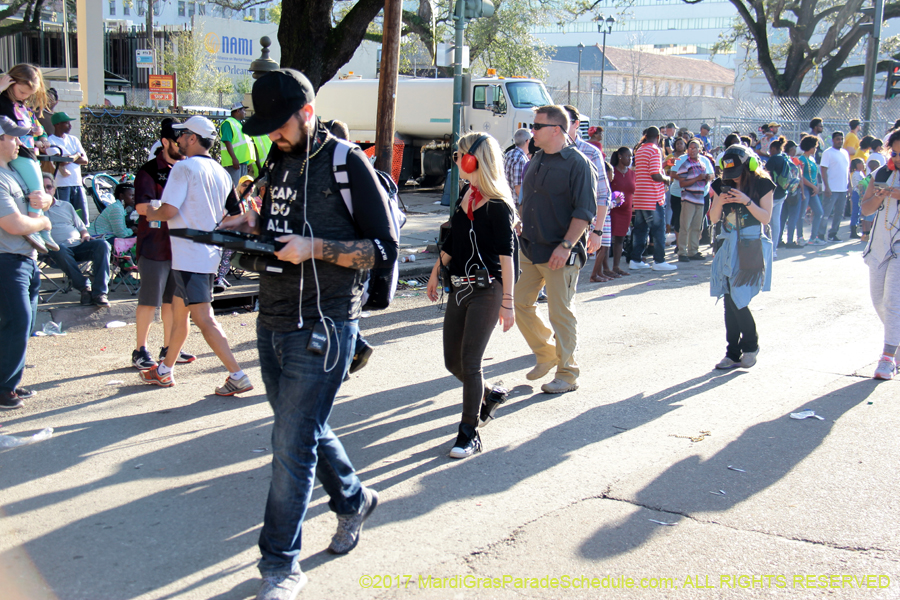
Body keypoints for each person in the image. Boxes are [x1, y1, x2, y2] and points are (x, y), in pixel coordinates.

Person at [219, 69, 398, 599]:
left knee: (289, 447)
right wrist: (250, 227)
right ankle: (354, 500)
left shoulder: (348, 163)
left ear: (307, 113)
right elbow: (274, 230)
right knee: (306, 432)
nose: (272, 135)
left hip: (324, 325)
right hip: (271, 319)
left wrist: (314, 248)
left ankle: (278, 565)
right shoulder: (277, 160)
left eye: (280, 124)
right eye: (266, 126)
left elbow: (383, 249)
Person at [136, 116, 251, 395]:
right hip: (204, 254)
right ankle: (164, 370)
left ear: (191, 138)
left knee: (203, 318)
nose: (178, 140)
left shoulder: (184, 168)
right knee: (180, 315)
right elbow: (235, 215)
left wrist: (150, 212)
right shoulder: (221, 172)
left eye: (182, 134)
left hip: (190, 256)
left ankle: (237, 375)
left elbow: (168, 211)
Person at [425, 132, 516, 457]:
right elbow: (453, 241)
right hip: (460, 287)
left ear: (476, 159)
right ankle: (489, 394)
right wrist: (436, 272)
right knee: (453, 362)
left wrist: (508, 302)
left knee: (470, 361)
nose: (457, 160)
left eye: (461, 154)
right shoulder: (467, 195)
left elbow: (508, 257)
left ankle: (469, 433)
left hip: (488, 289)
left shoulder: (498, 205)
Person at [515, 104, 596, 394]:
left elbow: (585, 211)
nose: (531, 130)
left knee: (560, 312)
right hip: (531, 248)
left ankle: (568, 373)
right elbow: (527, 198)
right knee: (520, 302)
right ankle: (547, 353)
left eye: (537, 126)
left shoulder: (578, 163)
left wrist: (565, 246)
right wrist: (521, 219)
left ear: (556, 130)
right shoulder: (536, 158)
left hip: (560, 252)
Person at [131, 118, 195, 371]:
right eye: (177, 141)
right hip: (155, 246)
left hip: (180, 246)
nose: (182, 145)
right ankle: (140, 350)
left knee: (172, 301)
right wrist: (163, 210)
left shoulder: (187, 168)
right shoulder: (148, 170)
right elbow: (141, 207)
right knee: (149, 301)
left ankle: (170, 348)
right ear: (165, 142)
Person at [0, 115, 53, 409]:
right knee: (17, 321)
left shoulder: (17, 170)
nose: (20, 142)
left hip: (26, 259)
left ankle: (11, 383)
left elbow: (43, 196)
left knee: (23, 322)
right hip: (6, 259)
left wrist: (43, 201)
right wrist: (43, 221)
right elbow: (13, 224)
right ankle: (4, 387)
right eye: (12, 137)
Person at [709, 145, 774, 369]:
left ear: (749, 166)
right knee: (729, 298)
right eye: (729, 176)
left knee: (739, 297)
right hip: (727, 245)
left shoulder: (762, 184)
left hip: (751, 244)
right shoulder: (720, 185)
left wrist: (746, 200)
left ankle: (750, 345)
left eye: (736, 175)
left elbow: (765, 218)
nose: (733, 180)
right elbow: (714, 218)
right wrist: (720, 200)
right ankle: (733, 352)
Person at [859, 128, 900, 380]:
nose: (898, 157)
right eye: (895, 152)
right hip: (880, 244)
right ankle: (896, 345)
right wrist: (878, 196)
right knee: (878, 300)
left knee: (893, 301)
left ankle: (887, 358)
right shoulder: (880, 173)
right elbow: (865, 209)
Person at [45, 179, 111, 307]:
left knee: (102, 245)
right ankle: (84, 288)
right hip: (55, 251)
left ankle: (99, 293)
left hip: (78, 245)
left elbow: (82, 228)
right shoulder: (33, 210)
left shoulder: (66, 206)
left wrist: (85, 235)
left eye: (49, 187)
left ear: (54, 189)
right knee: (59, 249)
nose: (46, 190)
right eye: (43, 187)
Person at [629, 126, 676, 271]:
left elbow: (647, 169)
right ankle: (659, 261)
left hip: (640, 196)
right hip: (652, 196)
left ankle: (635, 259)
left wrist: (663, 165)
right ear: (658, 137)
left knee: (640, 230)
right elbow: (655, 175)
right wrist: (667, 179)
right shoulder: (655, 150)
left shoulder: (640, 149)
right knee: (658, 230)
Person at [46, 110, 90, 225]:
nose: (69, 125)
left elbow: (85, 160)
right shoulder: (50, 141)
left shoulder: (73, 139)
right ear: (57, 125)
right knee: (64, 216)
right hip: (62, 185)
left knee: (82, 217)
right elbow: (61, 162)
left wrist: (69, 158)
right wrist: (75, 155)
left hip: (77, 183)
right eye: (66, 123)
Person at [675, 138, 713, 261]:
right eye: (690, 148)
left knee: (697, 226)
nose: (692, 150)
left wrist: (706, 178)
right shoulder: (685, 164)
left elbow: (711, 175)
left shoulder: (702, 164)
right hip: (688, 199)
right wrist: (697, 178)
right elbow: (682, 183)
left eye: (695, 148)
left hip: (700, 198)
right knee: (685, 226)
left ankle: (693, 250)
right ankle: (682, 252)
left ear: (700, 150)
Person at [819, 131, 851, 242]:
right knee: (826, 213)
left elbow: (847, 171)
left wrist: (849, 186)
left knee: (839, 213)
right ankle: (820, 235)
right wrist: (827, 187)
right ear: (833, 140)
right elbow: (823, 170)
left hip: (843, 189)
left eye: (841, 139)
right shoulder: (828, 153)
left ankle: (833, 234)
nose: (840, 141)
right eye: (838, 139)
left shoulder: (845, 153)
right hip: (831, 189)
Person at [608, 146, 635, 276]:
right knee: (607, 239)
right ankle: (604, 268)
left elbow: (632, 191)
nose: (630, 159)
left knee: (620, 238)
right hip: (613, 210)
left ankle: (616, 267)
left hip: (627, 211)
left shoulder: (631, 173)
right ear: (620, 156)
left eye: (631, 156)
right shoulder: (612, 172)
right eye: (627, 156)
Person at [764, 136, 791, 252]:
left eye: (770, 149)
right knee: (776, 222)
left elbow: (765, 176)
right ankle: (773, 249)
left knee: (767, 221)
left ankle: (767, 248)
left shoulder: (773, 160)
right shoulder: (785, 158)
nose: (769, 152)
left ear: (774, 148)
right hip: (782, 193)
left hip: (772, 194)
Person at [219, 102, 256, 188]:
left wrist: (248, 162)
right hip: (233, 163)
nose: (245, 112)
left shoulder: (238, 124)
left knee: (241, 189)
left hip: (241, 163)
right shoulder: (228, 123)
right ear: (238, 110)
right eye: (243, 110)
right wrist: (234, 159)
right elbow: (227, 141)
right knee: (235, 189)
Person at [503, 128, 530, 203]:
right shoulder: (521, 159)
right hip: (516, 203)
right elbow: (518, 188)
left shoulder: (508, 154)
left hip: (506, 199)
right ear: (528, 141)